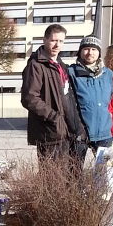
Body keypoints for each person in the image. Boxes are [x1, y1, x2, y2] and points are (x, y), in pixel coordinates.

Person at [20, 23, 86, 161]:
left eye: (61, 41)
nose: (57, 45)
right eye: (53, 40)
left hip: (66, 131)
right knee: (51, 178)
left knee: (67, 177)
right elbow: (29, 98)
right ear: (44, 40)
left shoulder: (60, 65)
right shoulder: (36, 65)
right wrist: (54, 117)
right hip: (50, 132)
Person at [69, 35, 113, 153]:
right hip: (80, 132)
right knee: (75, 170)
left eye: (94, 49)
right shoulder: (71, 72)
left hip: (103, 132)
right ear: (80, 52)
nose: (90, 53)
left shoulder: (108, 73)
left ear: (99, 52)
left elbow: (110, 98)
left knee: (103, 170)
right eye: (86, 49)